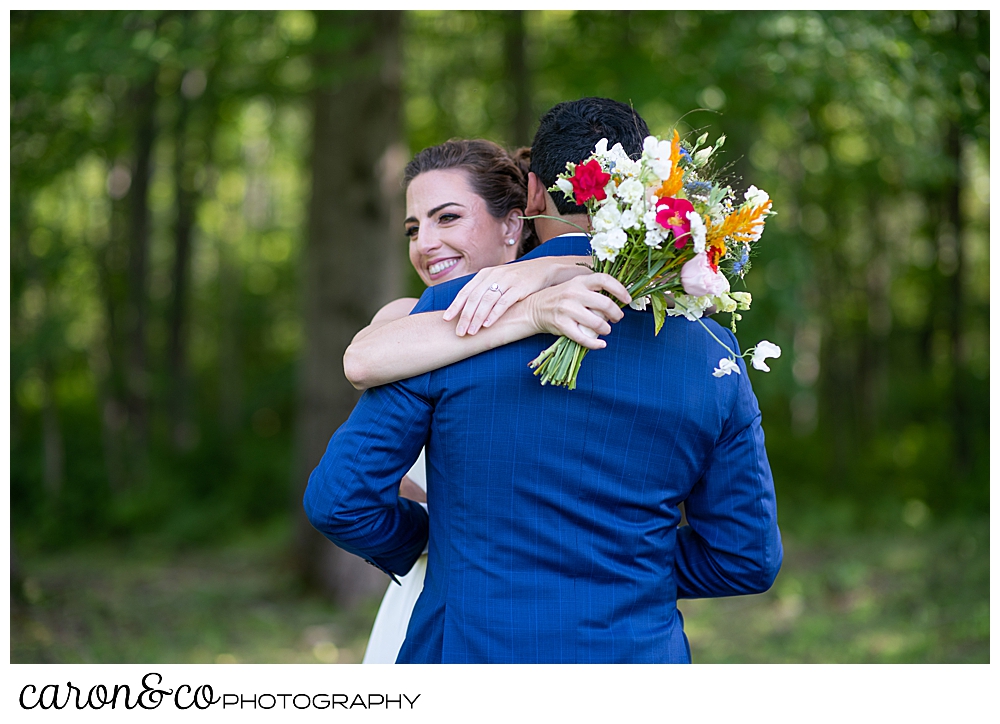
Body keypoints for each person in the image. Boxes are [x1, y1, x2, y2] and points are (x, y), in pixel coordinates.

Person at [305, 98, 782, 663]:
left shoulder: (455, 316)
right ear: (653, 197)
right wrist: (630, 568)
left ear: (530, 195)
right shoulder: (711, 349)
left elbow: (341, 500)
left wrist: (441, 549)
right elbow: (746, 556)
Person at [354, 138, 630, 663]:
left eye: (447, 218)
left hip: (584, 595)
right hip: (439, 595)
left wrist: (537, 272)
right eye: (414, 228)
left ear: (512, 223)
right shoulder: (409, 317)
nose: (424, 243)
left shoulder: (576, 311)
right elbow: (361, 366)